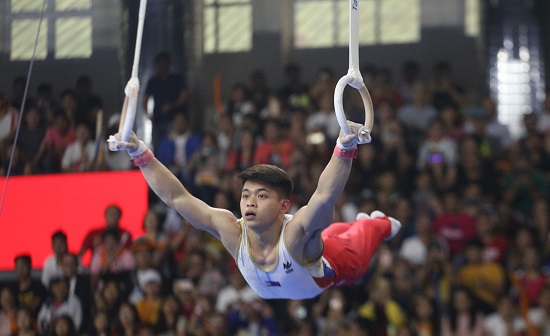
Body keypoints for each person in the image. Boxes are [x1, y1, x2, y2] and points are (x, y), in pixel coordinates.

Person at [108, 118, 401, 300]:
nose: (250, 202)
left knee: (365, 233)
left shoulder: (295, 234)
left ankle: (377, 223)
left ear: (283, 206)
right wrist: (140, 153)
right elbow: (177, 198)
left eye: (262, 196)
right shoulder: (231, 230)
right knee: (337, 231)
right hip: (299, 273)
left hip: (336, 265)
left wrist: (345, 147)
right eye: (246, 195)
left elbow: (324, 197)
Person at [142, 52, 188, 153]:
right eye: (160, 63)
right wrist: (148, 115)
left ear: (169, 64)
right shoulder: (153, 81)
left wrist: (172, 105)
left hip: (173, 120)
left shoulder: (176, 79)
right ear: (157, 65)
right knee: (157, 147)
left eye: (165, 63)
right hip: (157, 120)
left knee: (172, 146)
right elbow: (144, 100)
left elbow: (184, 96)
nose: (163, 65)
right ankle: (157, 168)